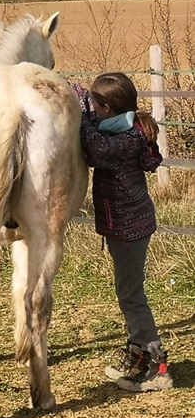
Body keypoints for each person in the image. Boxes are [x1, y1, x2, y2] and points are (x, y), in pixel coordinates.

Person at [76, 72, 173, 393]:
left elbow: (97, 149)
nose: (91, 109)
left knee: (132, 296)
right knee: (128, 292)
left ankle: (157, 367)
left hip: (129, 228)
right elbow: (99, 136)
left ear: (106, 107)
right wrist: (87, 114)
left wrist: (78, 118)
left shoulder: (124, 139)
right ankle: (136, 355)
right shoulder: (127, 127)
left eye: (94, 105)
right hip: (128, 225)